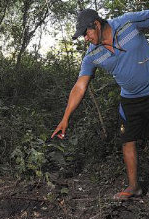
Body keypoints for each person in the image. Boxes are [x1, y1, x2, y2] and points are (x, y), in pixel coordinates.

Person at [51, 9, 149, 200]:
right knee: (127, 141)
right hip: (130, 100)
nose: (85, 38)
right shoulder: (92, 55)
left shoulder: (127, 23)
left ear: (96, 24)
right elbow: (80, 86)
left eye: (86, 33)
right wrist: (65, 118)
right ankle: (134, 187)